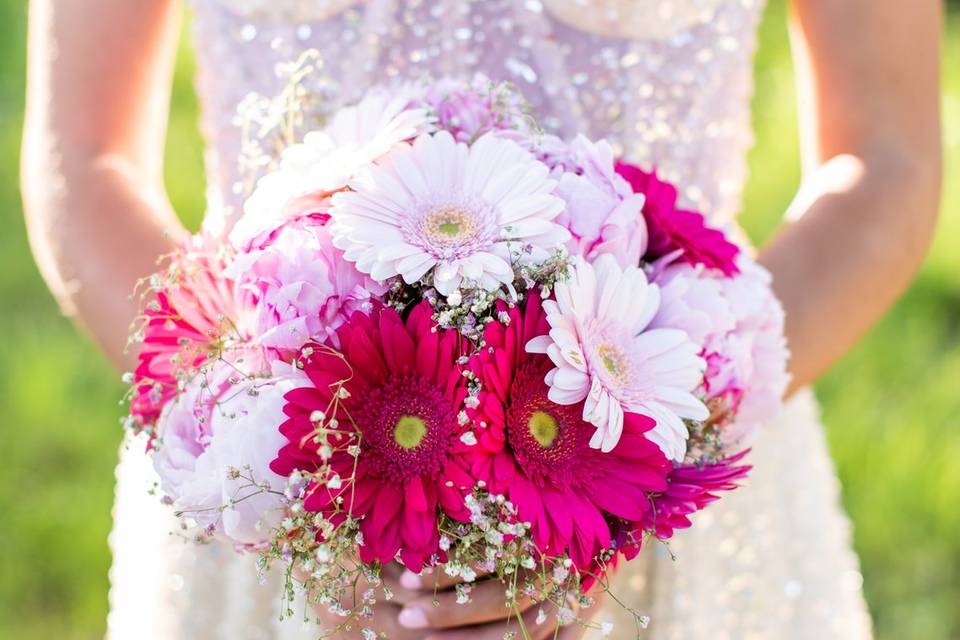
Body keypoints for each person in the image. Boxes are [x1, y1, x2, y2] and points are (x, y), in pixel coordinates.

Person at [21, 1, 941, 638]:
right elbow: (84, 154)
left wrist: (637, 465)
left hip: (668, 453)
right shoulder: (273, 471)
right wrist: (272, 470)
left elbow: (885, 155)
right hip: (277, 472)